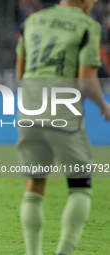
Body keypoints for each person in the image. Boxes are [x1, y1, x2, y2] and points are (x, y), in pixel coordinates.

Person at [15, 1, 110, 255]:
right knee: (81, 186)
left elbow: (21, 71)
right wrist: (104, 105)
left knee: (34, 187)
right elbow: (86, 81)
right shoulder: (87, 25)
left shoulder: (33, 21)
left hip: (29, 111)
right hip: (63, 114)